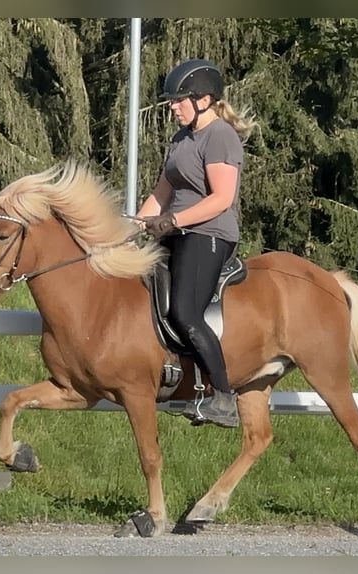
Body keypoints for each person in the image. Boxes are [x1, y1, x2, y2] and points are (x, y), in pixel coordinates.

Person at [136, 58, 257, 428]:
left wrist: (173, 219)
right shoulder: (181, 138)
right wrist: (134, 226)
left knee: (185, 312)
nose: (173, 107)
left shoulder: (220, 136)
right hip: (177, 231)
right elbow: (162, 192)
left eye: (179, 100)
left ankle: (223, 397)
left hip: (208, 234)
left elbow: (221, 198)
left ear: (203, 99)